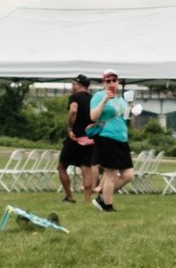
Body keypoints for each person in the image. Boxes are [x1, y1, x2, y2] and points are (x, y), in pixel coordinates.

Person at [86, 69, 132, 212]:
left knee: (128, 175)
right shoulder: (99, 96)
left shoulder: (121, 99)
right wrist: (104, 100)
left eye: (114, 80)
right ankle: (107, 205)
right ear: (104, 83)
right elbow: (93, 117)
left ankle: (102, 197)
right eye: (108, 80)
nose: (112, 83)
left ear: (118, 82)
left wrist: (131, 111)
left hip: (122, 138)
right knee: (110, 175)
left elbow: (125, 119)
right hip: (106, 137)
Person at [56, 74, 96, 204]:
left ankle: (70, 197)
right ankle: (87, 200)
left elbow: (73, 111)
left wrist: (69, 128)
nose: (72, 86)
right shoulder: (93, 99)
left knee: (62, 167)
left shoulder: (74, 97)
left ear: (79, 85)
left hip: (74, 137)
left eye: (73, 84)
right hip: (89, 138)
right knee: (86, 169)